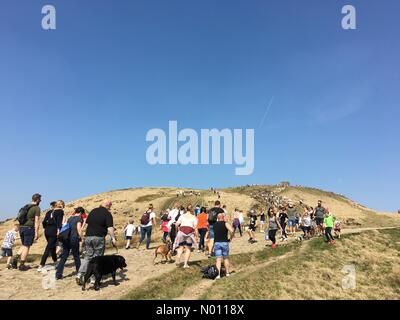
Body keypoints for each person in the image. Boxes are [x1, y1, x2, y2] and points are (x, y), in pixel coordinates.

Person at [76, 200, 116, 285]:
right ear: (108, 206)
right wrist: (113, 238)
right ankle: (93, 278)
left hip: (88, 236)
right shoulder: (107, 214)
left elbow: (85, 225)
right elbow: (110, 228)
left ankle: (80, 274)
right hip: (99, 237)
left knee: (87, 256)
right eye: (110, 206)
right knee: (97, 259)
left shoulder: (93, 211)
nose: (110, 208)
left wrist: (83, 236)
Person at [11, 193, 42, 271]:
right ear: (37, 199)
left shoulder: (26, 206)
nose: (40, 201)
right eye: (40, 200)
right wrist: (36, 232)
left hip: (21, 228)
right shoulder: (36, 208)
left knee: (24, 245)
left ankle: (15, 258)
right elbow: (37, 221)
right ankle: (22, 265)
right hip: (29, 228)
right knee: (27, 246)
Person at [55, 207, 84, 280]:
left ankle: (58, 274)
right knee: (76, 256)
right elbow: (79, 229)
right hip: (74, 238)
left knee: (64, 256)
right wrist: (82, 238)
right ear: (80, 213)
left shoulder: (70, 218)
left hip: (66, 239)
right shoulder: (79, 218)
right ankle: (79, 273)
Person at [38, 200, 65, 271]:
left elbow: (43, 222)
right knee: (49, 247)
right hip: (53, 231)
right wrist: (59, 230)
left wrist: (45, 227)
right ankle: (41, 264)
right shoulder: (60, 212)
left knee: (52, 246)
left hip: (47, 230)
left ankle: (55, 262)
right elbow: (59, 223)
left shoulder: (49, 212)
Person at [214, 213, 234, 279]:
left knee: (218, 259)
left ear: (217, 218)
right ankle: (227, 273)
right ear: (223, 217)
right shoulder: (225, 223)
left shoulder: (214, 224)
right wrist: (231, 237)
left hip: (217, 243)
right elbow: (232, 230)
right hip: (224, 242)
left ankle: (218, 275)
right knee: (225, 258)